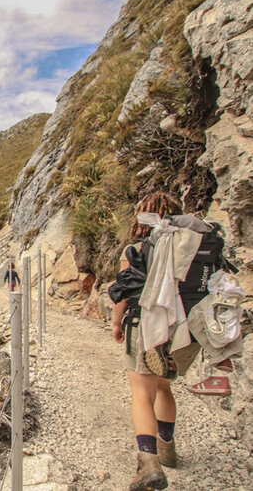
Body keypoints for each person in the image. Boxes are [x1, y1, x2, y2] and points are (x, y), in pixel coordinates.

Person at [112, 192, 183, 491]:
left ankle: (149, 463)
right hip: (180, 329)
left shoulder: (136, 249)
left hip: (145, 325)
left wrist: (117, 322)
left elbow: (125, 291)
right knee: (164, 385)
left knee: (142, 392)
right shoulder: (185, 244)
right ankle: (167, 447)